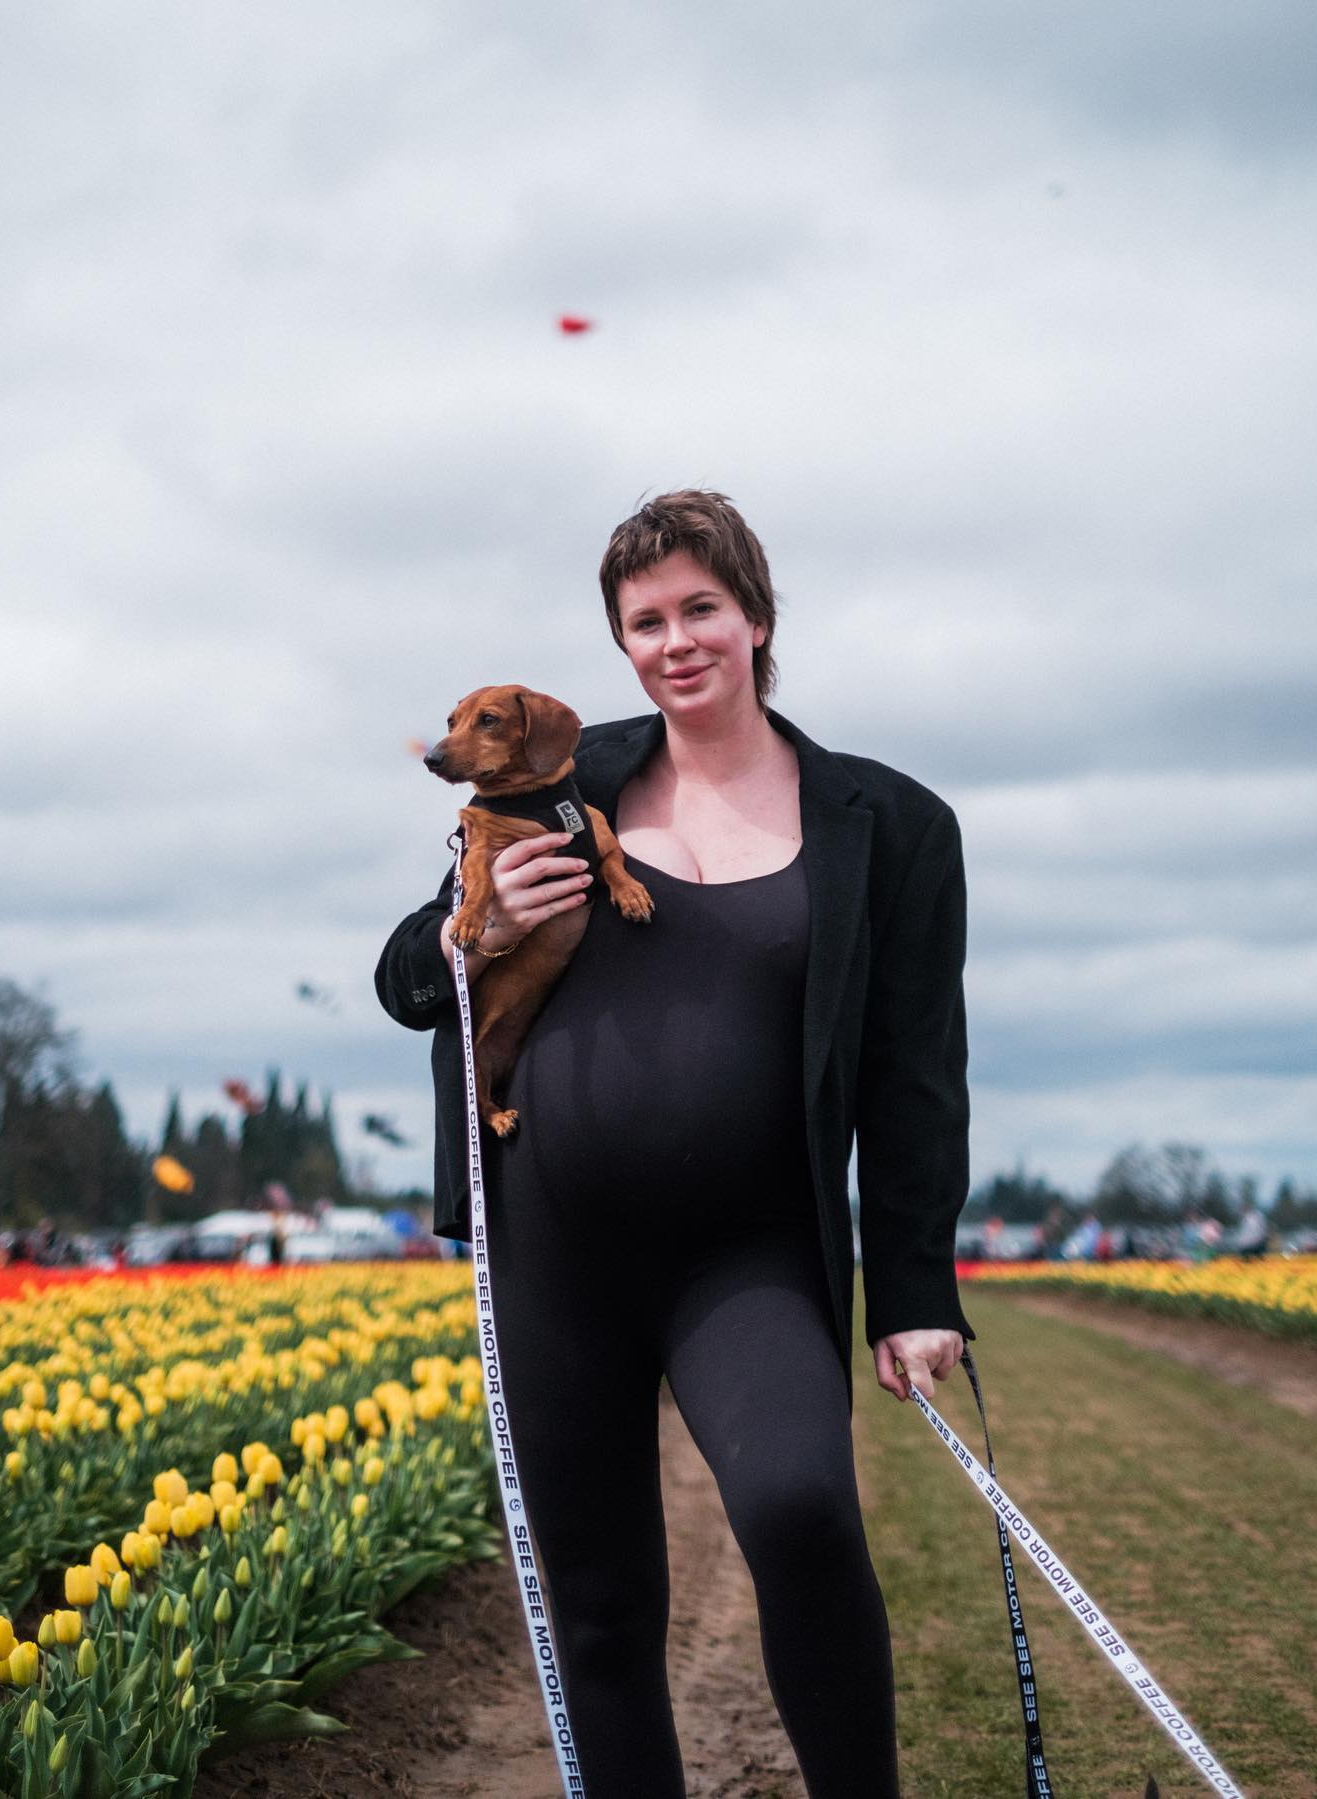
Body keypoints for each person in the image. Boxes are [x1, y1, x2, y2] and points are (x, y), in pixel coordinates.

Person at [375, 490, 975, 1797]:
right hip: (555, 1256)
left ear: (757, 618)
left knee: (801, 1511)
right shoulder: (545, 783)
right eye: (645, 620)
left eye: (702, 608)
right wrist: (463, 936)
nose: (675, 639)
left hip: (748, 1256)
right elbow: (406, 981)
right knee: (597, 1604)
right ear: (622, 644)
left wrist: (916, 1288)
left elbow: (914, 1074)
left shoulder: (893, 826)